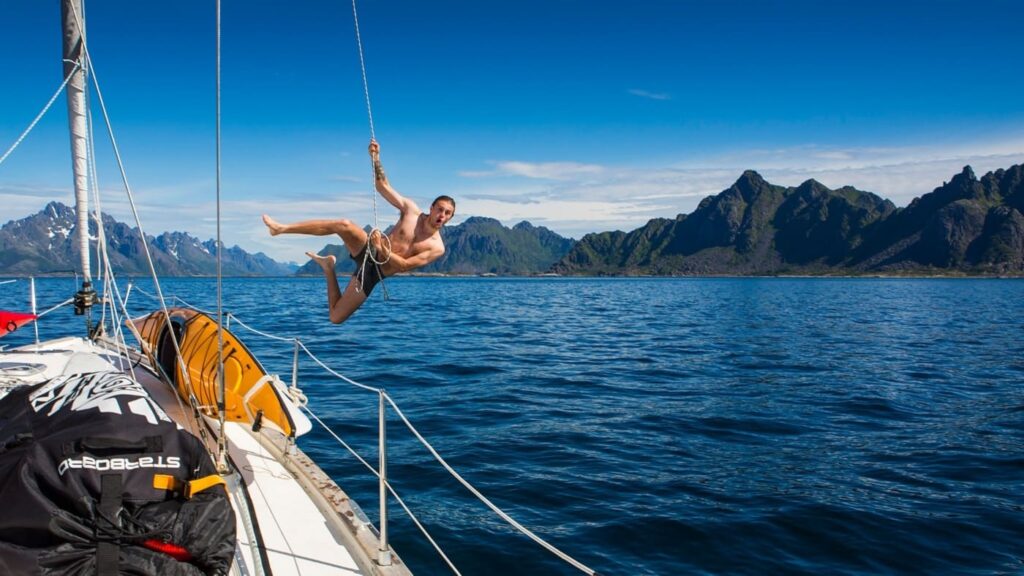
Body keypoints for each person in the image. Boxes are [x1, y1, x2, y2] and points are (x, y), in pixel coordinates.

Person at [263, 140, 455, 324]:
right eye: (440, 209)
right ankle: (281, 228)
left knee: (335, 317)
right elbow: (383, 186)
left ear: (450, 218)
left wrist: (382, 248)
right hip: (369, 249)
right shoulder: (411, 210)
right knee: (344, 224)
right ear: (431, 208)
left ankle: (329, 267)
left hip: (375, 272)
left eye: (447, 213)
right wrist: (376, 158)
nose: (442, 215)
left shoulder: (437, 247)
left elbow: (404, 265)